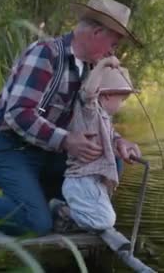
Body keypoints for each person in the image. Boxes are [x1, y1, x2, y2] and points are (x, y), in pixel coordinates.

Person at [0, 0, 143, 236]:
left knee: (113, 160)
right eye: (114, 43)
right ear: (97, 33)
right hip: (11, 150)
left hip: (48, 154)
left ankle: (58, 210)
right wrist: (67, 140)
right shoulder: (46, 54)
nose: (113, 51)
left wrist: (118, 142)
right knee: (36, 224)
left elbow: (96, 118)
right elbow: (18, 113)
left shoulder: (90, 71)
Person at [60, 56, 134, 231]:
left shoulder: (104, 117)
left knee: (108, 217)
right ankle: (64, 211)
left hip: (93, 180)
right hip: (81, 180)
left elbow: (108, 142)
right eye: (121, 100)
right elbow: (88, 93)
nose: (122, 105)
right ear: (107, 95)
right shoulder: (90, 111)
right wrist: (103, 64)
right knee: (106, 220)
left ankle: (73, 213)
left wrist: (122, 147)